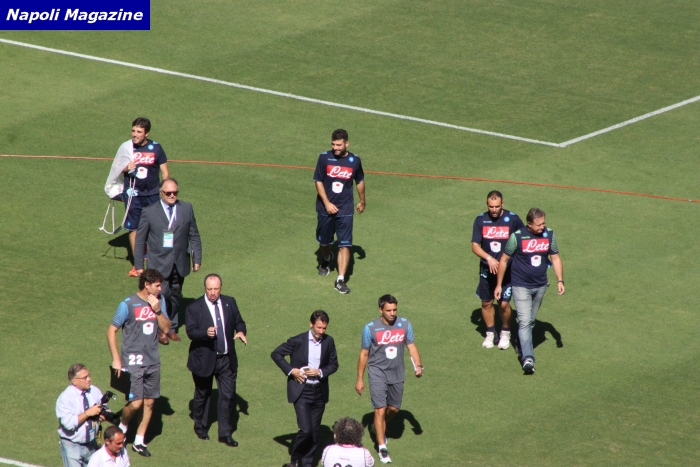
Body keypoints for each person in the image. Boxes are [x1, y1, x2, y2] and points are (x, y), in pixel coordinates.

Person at [106, 268, 171, 457]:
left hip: (153, 361)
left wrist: (158, 311)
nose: (160, 289)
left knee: (149, 403)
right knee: (135, 403)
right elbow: (111, 330)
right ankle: (122, 427)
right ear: (146, 285)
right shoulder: (127, 304)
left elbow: (166, 329)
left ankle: (139, 441)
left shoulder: (160, 302)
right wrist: (116, 359)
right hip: (132, 362)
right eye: (157, 285)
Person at [495, 208, 565, 375]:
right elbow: (504, 260)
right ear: (529, 224)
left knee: (530, 321)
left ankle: (521, 342)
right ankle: (528, 359)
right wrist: (499, 285)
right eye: (538, 224)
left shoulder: (549, 235)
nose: (542, 227)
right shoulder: (517, 237)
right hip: (520, 285)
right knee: (525, 322)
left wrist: (560, 280)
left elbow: (555, 258)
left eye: (543, 223)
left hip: (540, 285)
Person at [356, 295, 423, 464]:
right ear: (380, 310)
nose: (392, 313)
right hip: (377, 372)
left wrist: (418, 365)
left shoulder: (405, 324)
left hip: (397, 372)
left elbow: (411, 346)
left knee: (394, 408)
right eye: (388, 310)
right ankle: (382, 447)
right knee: (380, 409)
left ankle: (377, 425)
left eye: (394, 310)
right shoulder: (370, 328)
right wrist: (360, 379)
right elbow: (364, 354)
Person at [134, 177, 202, 343]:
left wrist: (197, 258)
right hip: (157, 262)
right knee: (162, 293)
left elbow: (194, 234)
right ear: (161, 193)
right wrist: (139, 265)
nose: (172, 195)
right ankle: (161, 329)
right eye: (168, 193)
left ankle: (172, 327)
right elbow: (140, 239)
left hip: (179, 261)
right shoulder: (149, 211)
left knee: (176, 294)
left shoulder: (186, 208)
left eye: (175, 192)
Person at [186, 274, 247, 446]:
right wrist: (205, 333)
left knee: (227, 396)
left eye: (216, 289)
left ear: (221, 287)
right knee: (203, 395)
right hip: (204, 359)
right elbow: (191, 331)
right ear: (205, 289)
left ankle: (225, 433)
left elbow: (239, 321)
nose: (213, 293)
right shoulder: (194, 307)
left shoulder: (229, 302)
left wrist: (241, 331)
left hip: (226, 359)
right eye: (210, 289)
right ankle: (201, 427)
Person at [272, 311, 339, 467]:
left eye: (324, 328)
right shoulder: (298, 340)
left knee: (314, 433)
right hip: (302, 391)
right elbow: (276, 354)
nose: (321, 331)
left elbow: (334, 365)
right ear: (311, 324)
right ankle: (295, 459)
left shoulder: (328, 341)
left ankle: (307, 464)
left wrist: (319, 372)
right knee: (306, 430)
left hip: (319, 392)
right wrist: (291, 371)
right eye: (319, 327)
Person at [313, 128, 366, 294]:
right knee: (324, 242)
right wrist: (327, 203)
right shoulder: (324, 158)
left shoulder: (354, 161)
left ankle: (340, 280)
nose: (335, 148)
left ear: (346, 144)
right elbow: (318, 181)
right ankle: (327, 257)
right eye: (333, 144)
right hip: (325, 208)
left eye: (338, 145)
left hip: (345, 208)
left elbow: (360, 180)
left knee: (345, 244)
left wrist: (362, 201)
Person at [115, 117, 169, 277]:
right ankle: (138, 265)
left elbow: (165, 172)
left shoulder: (156, 148)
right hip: (133, 195)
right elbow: (115, 169)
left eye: (139, 131)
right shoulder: (126, 148)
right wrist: (126, 168)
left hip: (153, 194)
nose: (135, 134)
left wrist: (165, 192)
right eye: (133, 131)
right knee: (133, 228)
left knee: (157, 227)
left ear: (147, 133)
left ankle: (159, 260)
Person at [471, 191, 524, 349]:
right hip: (487, 270)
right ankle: (490, 333)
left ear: (502, 204)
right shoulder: (480, 220)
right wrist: (489, 258)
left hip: (507, 271)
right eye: (490, 206)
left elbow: (524, 238)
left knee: (503, 304)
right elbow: (475, 246)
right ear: (487, 205)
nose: (493, 210)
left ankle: (505, 332)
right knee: (486, 302)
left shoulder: (513, 219)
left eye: (496, 206)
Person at [56, 364, 106, 467]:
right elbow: (69, 424)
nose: (89, 379)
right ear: (74, 381)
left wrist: (103, 413)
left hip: (92, 444)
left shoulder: (94, 391)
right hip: (72, 446)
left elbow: (104, 406)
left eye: (88, 376)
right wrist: (87, 413)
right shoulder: (65, 398)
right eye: (85, 378)